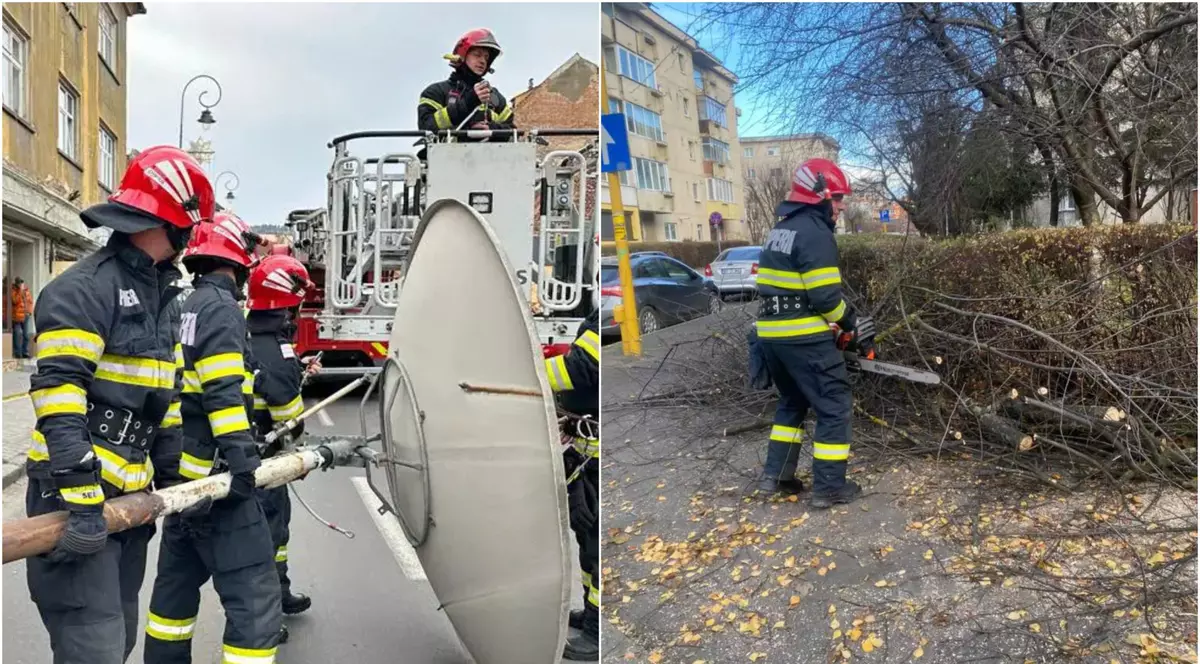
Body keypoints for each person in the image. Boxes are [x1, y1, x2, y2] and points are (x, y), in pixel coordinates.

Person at [24, 146, 210, 664]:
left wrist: (174, 479)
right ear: (172, 221)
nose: (190, 240)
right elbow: (59, 393)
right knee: (94, 649)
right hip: (74, 496)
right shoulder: (84, 290)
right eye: (189, 227)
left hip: (129, 498)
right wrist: (82, 501)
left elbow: (164, 398)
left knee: (120, 637)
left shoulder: (161, 299)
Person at [143, 212, 283, 664]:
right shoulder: (222, 309)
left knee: (172, 602)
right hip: (221, 484)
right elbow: (222, 391)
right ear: (238, 263)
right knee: (255, 600)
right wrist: (244, 463)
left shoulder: (180, 306)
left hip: (185, 482)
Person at [754, 158, 875, 509]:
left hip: (772, 335)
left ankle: (775, 478)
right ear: (819, 194)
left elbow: (797, 291)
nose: (841, 205)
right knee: (834, 406)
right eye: (837, 198)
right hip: (802, 337)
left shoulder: (781, 229)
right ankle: (829, 487)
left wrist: (834, 324)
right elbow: (825, 297)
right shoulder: (815, 232)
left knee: (792, 402)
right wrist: (851, 323)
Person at [246, 254, 317, 620]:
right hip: (268, 460)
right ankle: (268, 611)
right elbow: (289, 419)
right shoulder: (277, 351)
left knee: (265, 536)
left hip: (240, 453)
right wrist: (298, 460)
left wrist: (297, 370)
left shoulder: (245, 335)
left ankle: (280, 592)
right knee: (270, 535)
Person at [545, 308, 600, 661]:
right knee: (585, 535)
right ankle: (590, 612)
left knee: (597, 545)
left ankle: (598, 630)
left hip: (597, 456)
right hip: (585, 453)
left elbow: (581, 367)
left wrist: (532, 373)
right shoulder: (596, 316)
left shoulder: (599, 320)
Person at [417, 28, 515, 136]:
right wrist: (469, 102)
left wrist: (491, 129)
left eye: (486, 57)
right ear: (462, 56)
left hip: (490, 152)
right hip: (448, 152)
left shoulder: (494, 97)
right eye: (477, 55)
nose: (483, 61)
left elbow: (513, 131)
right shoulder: (436, 92)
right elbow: (426, 126)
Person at [11, 276, 34, 358]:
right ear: (16, 283)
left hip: (26, 315)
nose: (20, 284)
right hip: (16, 317)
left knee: (26, 335)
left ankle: (25, 352)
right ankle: (17, 353)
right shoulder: (14, 291)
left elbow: (30, 301)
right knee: (17, 334)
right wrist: (20, 291)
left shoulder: (26, 290)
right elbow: (14, 300)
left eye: (21, 282)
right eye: (19, 283)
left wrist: (30, 311)